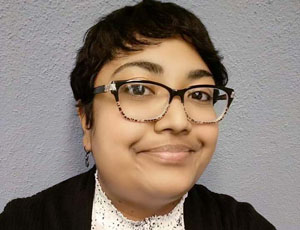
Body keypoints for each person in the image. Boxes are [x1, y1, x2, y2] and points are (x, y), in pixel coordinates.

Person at [0, 0, 276, 229]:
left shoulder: (245, 224)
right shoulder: (23, 222)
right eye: (139, 89)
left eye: (200, 94)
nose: (179, 122)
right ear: (86, 120)